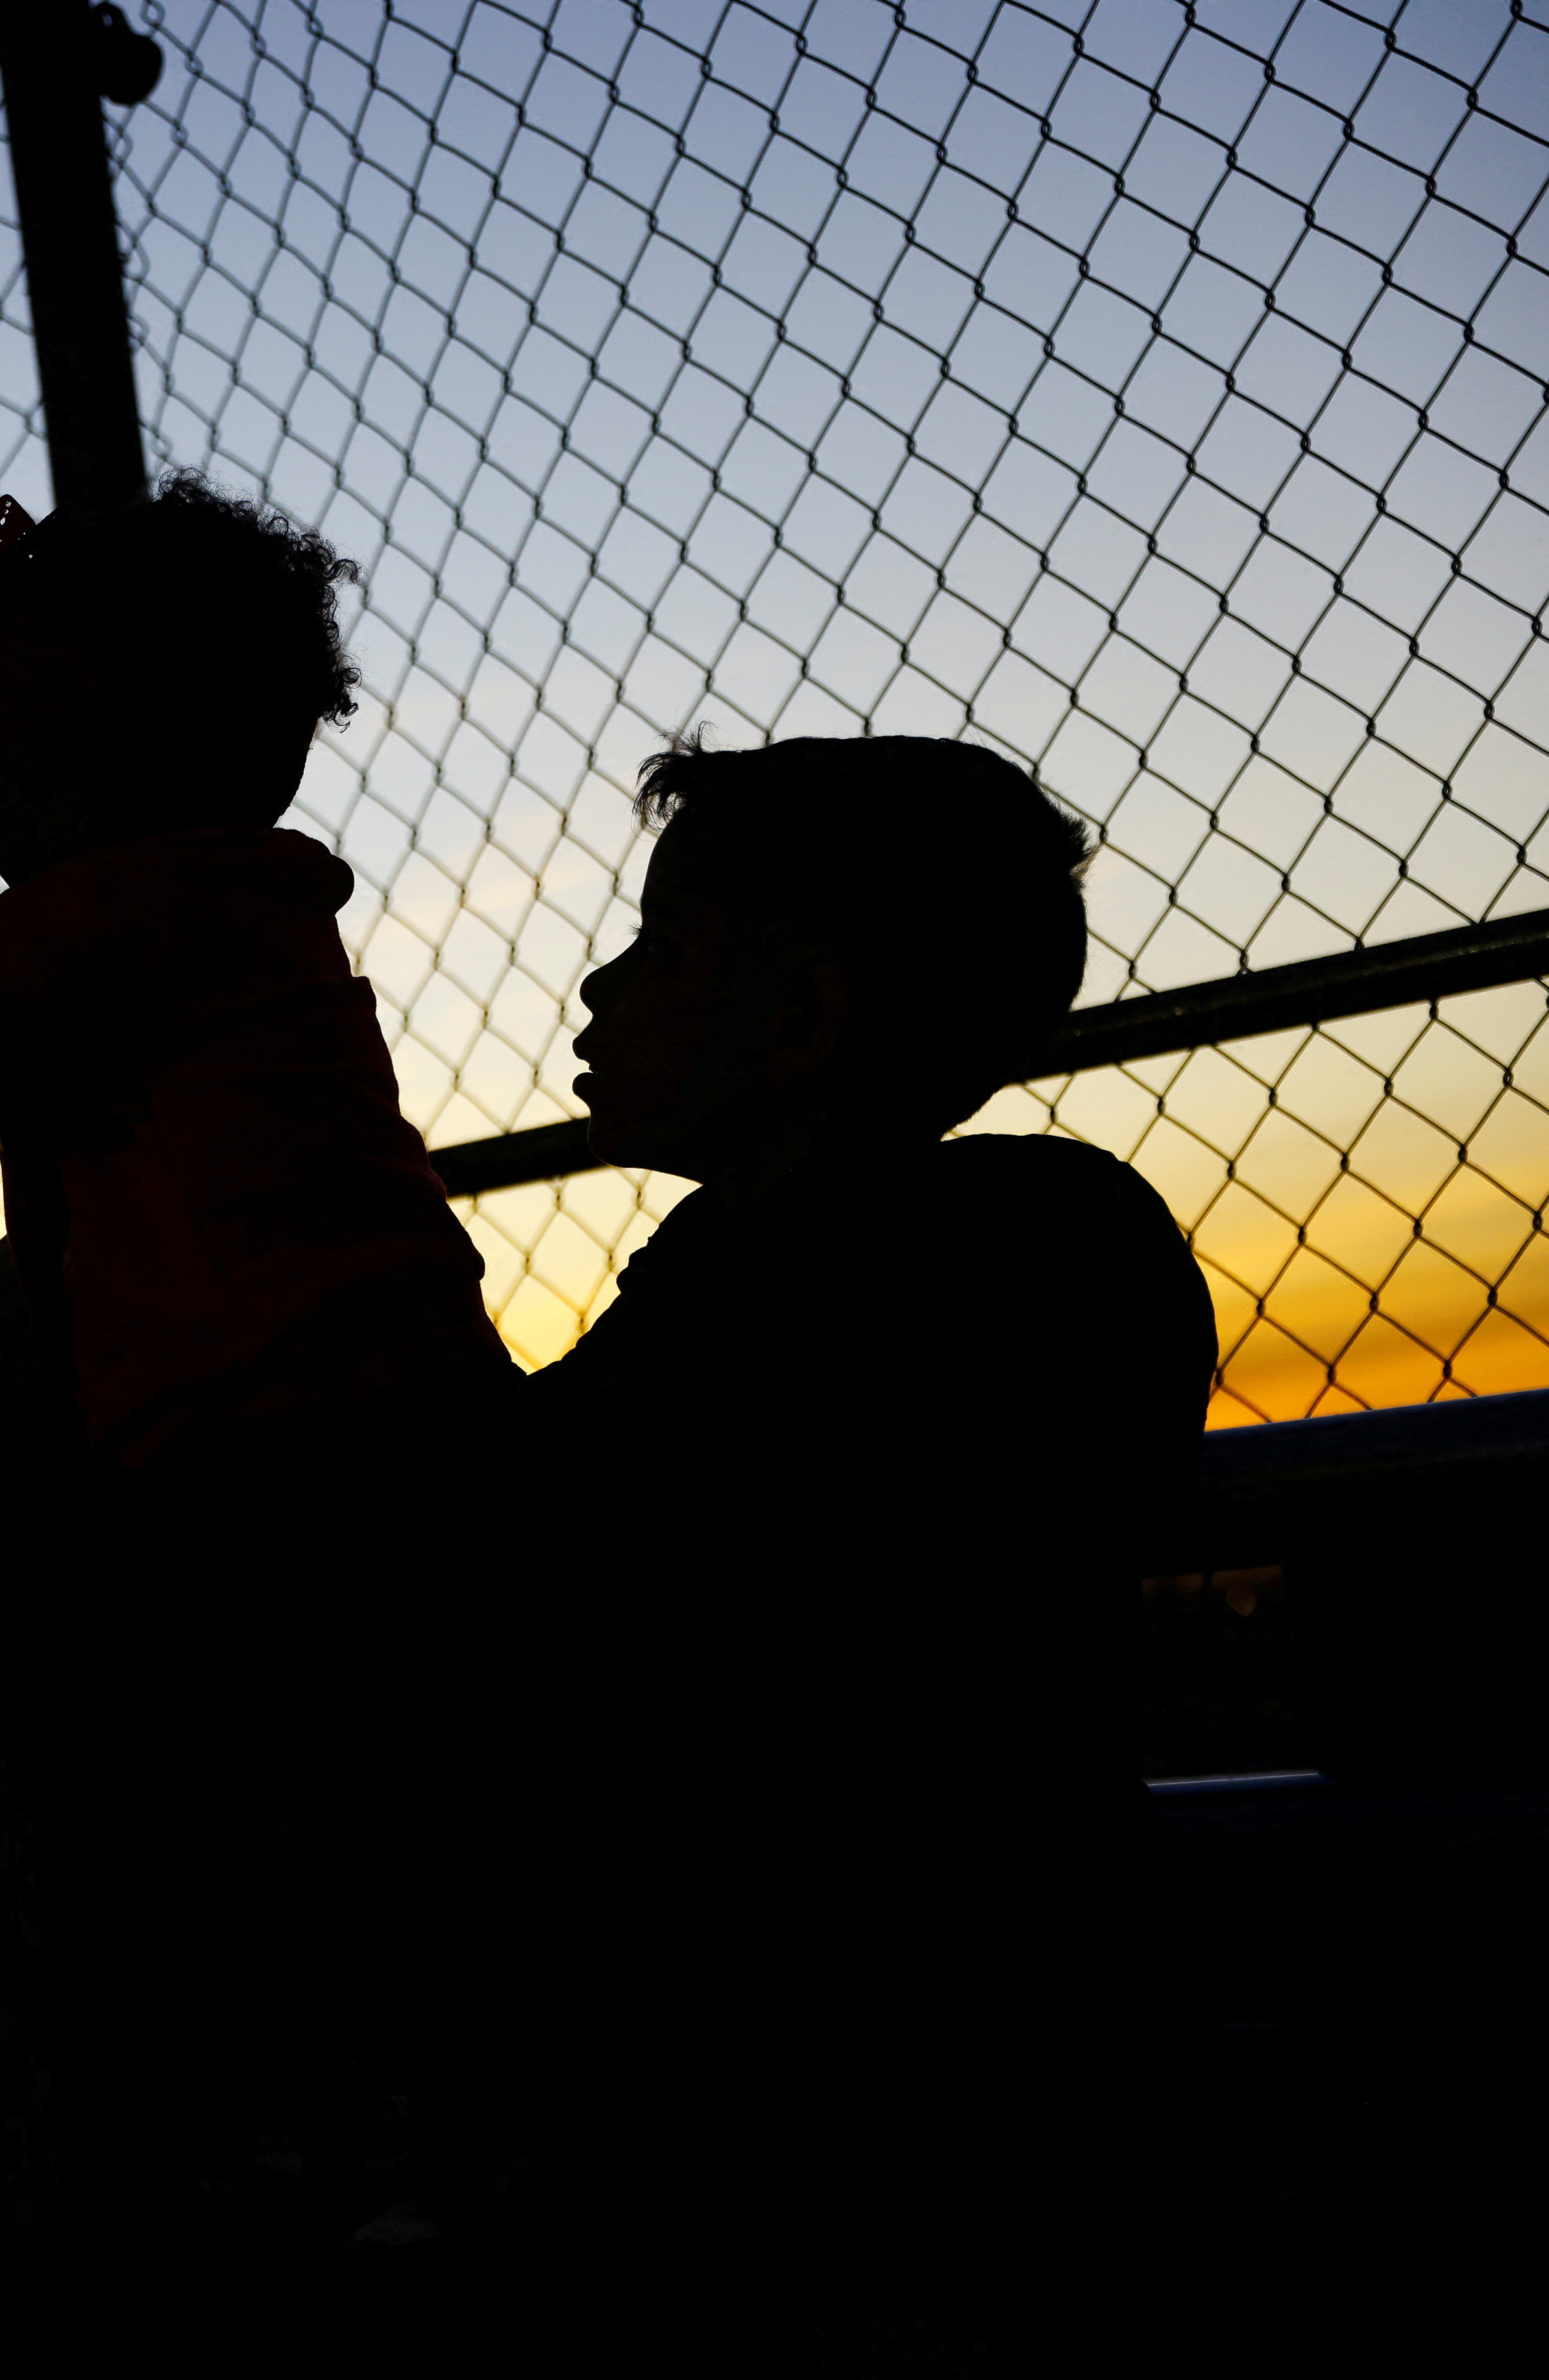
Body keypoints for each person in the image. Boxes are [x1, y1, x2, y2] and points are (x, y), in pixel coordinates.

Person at [0, 474, 518, 2270]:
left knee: (299, 1824)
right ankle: (374, 2145)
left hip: (289, 1453)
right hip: (352, 1433)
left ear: (104, 752)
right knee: (353, 1821)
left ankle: (355, 2163)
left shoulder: (133, 911)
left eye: (15, 778)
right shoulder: (206, 922)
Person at [414, 734, 1215, 2342]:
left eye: (651, 945)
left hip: (789, 2062)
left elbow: (511, 1523)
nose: (594, 987)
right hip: (1029, 2024)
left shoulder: (775, 1276)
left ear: (796, 1017)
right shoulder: (1047, 1240)